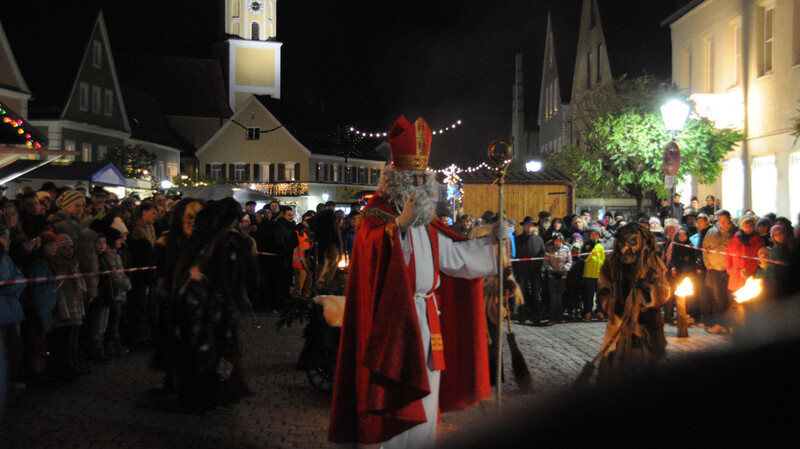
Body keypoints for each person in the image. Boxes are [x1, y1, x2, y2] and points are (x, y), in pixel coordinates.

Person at [329, 116, 500, 448]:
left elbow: (455, 257)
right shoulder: (375, 216)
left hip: (426, 317)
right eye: (413, 177)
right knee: (395, 400)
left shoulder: (428, 221)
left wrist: (493, 243)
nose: (420, 184)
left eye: (424, 177)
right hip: (392, 323)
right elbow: (371, 253)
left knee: (427, 396)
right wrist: (400, 226)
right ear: (395, 179)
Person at [171, 198, 258, 412]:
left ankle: (198, 392)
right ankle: (218, 391)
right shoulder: (232, 241)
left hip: (194, 304)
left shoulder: (198, 239)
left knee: (200, 349)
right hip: (219, 306)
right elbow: (245, 276)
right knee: (222, 348)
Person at [596, 223, 670, 378]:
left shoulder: (653, 264)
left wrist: (648, 293)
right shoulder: (611, 263)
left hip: (646, 328)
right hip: (618, 326)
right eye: (622, 244)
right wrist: (613, 306)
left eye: (632, 243)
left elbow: (664, 292)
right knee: (613, 369)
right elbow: (603, 288)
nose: (624, 249)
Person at [702, 210, 737, 333]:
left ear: (729, 219)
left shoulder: (735, 233)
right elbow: (704, 248)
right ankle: (719, 323)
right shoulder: (711, 232)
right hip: (715, 269)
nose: (722, 223)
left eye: (724, 220)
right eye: (720, 220)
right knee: (717, 298)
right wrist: (708, 264)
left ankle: (731, 324)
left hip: (730, 271)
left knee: (730, 298)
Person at [513, 216, 545, 325]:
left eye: (531, 225)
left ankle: (535, 317)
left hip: (535, 272)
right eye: (527, 225)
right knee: (522, 294)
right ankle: (522, 316)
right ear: (523, 226)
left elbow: (542, 254)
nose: (529, 227)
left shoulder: (539, 240)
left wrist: (541, 268)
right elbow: (514, 255)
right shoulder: (517, 240)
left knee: (536, 295)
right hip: (521, 272)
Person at [544, 232, 572, 325]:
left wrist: (564, 269)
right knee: (553, 296)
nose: (558, 243)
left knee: (560, 296)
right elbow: (546, 262)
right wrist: (551, 270)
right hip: (552, 276)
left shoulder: (566, 249)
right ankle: (552, 317)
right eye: (556, 241)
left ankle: (560, 316)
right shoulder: (550, 249)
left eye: (560, 241)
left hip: (562, 275)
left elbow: (569, 261)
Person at [581, 225, 606, 321]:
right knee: (589, 295)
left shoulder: (603, 245)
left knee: (600, 296)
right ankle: (588, 312)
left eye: (596, 234)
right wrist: (590, 249)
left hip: (600, 275)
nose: (594, 236)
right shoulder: (586, 245)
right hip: (589, 275)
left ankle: (600, 312)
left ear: (599, 235)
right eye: (592, 234)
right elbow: (583, 258)